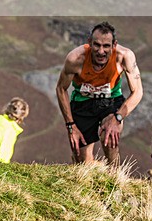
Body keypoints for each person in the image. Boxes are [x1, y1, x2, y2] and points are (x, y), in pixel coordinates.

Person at [55, 21, 144, 166]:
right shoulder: (75, 59)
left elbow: (138, 91)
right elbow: (61, 89)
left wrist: (117, 118)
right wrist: (71, 125)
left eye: (106, 46)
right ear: (89, 42)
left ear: (114, 45)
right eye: (96, 45)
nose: (101, 51)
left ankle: (115, 178)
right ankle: (92, 171)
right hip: (82, 103)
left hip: (110, 101)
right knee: (82, 162)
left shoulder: (124, 56)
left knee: (109, 135)